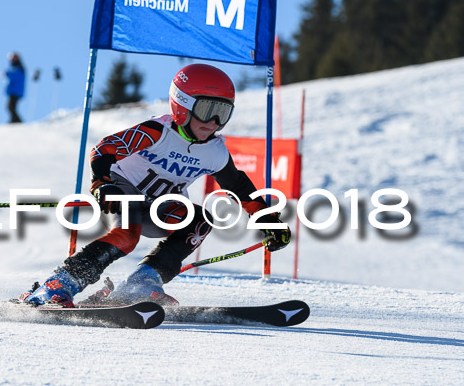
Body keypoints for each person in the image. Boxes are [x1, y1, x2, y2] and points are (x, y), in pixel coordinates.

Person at [22, 63, 291, 307]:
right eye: (207, 110)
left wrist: (268, 220)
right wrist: (102, 182)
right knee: (127, 235)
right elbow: (104, 149)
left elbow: (238, 186)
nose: (213, 122)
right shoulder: (158, 132)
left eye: (222, 113)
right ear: (181, 105)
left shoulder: (215, 151)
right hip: (122, 192)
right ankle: (58, 284)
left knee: (200, 220)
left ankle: (142, 284)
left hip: (159, 207)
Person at [5, 52, 26, 123]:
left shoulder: (19, 67)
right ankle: (13, 120)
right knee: (10, 107)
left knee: (11, 107)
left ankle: (17, 121)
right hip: (13, 91)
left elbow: (16, 77)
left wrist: (7, 74)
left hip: (16, 91)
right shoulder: (14, 67)